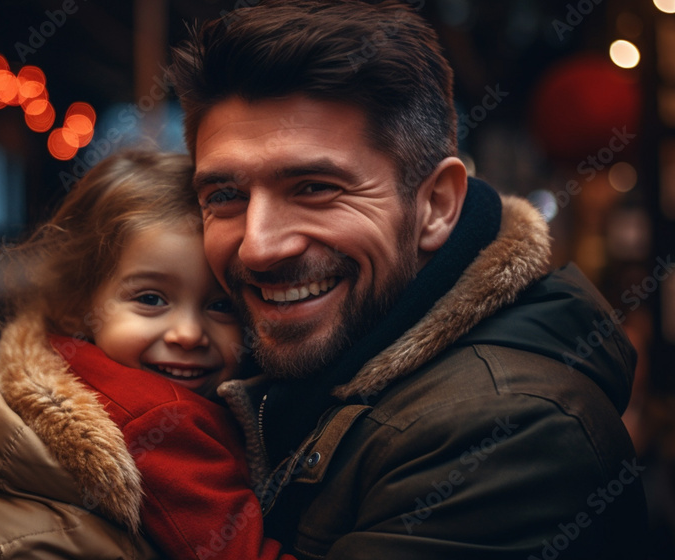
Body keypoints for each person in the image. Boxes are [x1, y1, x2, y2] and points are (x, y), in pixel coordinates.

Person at [167, 1, 649, 558]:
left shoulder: (509, 431)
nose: (259, 247)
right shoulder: (269, 368)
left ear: (437, 205)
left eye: (315, 187)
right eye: (225, 197)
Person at [0, 150, 292, 559]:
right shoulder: (161, 418)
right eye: (150, 299)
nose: (187, 333)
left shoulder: (72, 362)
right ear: (77, 307)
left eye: (220, 306)